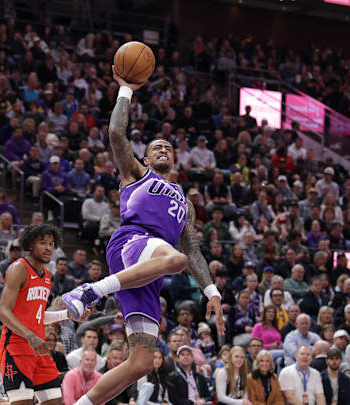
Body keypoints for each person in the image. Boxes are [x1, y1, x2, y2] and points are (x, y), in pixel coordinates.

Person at [62, 68, 223, 405]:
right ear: (147, 158)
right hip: (132, 242)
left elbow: (193, 250)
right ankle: (92, 291)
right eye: (156, 147)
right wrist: (125, 90)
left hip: (150, 270)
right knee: (173, 260)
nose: (162, 149)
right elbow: (116, 133)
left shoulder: (185, 202)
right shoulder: (137, 173)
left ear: (175, 159)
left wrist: (212, 293)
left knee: (141, 363)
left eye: (168, 146)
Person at [0, 224, 84, 405]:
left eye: (52, 244)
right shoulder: (18, 269)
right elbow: (3, 312)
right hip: (16, 346)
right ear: (30, 245)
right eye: (43, 243)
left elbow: (38, 315)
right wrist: (30, 335)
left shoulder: (46, 275)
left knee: (54, 401)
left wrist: (68, 314)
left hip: (38, 347)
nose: (48, 248)